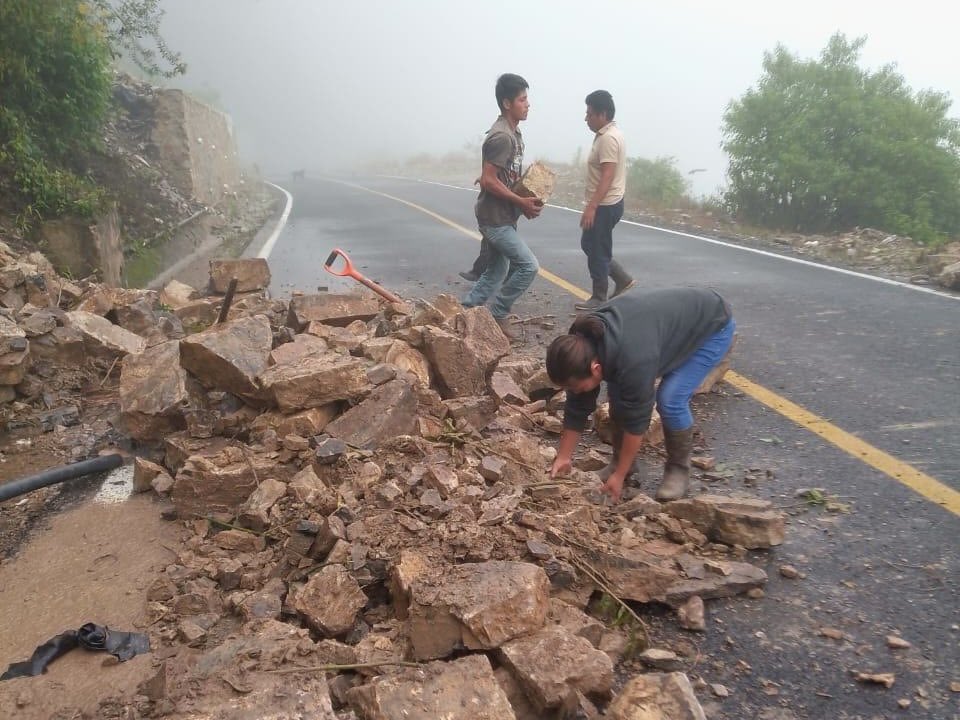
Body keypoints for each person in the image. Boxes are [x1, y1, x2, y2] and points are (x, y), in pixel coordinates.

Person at [545, 287, 735, 503]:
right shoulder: (580, 343)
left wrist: (618, 477)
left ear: (596, 368)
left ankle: (678, 470)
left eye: (577, 387)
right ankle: (620, 461)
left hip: (711, 326)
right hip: (659, 330)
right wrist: (564, 457)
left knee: (670, 399)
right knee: (618, 396)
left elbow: (638, 421)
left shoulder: (633, 360)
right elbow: (578, 403)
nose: (575, 392)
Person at [461, 73, 543, 340]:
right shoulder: (503, 137)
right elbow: (489, 178)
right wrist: (521, 201)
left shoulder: (514, 133)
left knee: (497, 270)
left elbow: (495, 175)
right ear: (507, 103)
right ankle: (498, 315)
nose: (528, 104)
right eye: (522, 99)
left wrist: (529, 189)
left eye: (527, 98)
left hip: (502, 215)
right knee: (529, 266)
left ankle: (467, 311)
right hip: (494, 219)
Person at [575, 90, 635, 311]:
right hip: (607, 202)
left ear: (602, 114)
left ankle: (599, 298)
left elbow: (607, 176)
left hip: (605, 204)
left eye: (589, 114)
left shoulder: (608, 138)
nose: (586, 118)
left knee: (597, 249)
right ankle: (622, 278)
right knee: (590, 244)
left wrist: (592, 207)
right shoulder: (607, 133)